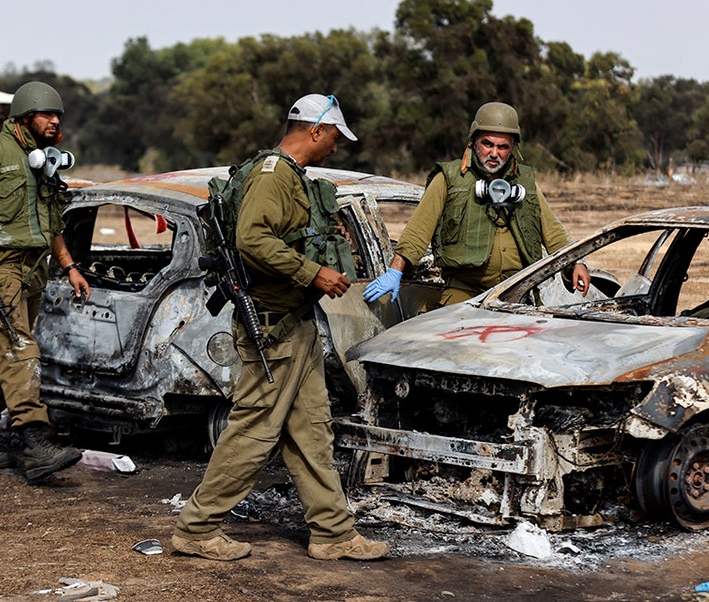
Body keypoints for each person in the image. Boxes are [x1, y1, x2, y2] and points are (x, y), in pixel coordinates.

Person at [172, 94, 390, 562]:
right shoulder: (272, 176)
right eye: (333, 137)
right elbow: (252, 239)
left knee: (311, 430)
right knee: (254, 431)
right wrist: (313, 273)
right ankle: (197, 527)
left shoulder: (292, 178)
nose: (335, 147)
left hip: (297, 325)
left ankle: (332, 533)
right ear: (315, 130)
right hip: (274, 330)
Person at [0, 80, 90, 483]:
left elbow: (52, 222)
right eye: (47, 114)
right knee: (19, 348)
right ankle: (33, 438)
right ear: (26, 116)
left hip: (34, 269)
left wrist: (69, 267)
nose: (54, 121)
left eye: (58, 115)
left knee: (4, 356)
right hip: (1, 267)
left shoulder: (41, 159)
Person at [364, 101, 589, 308]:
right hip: (465, 294)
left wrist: (576, 264)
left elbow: (553, 233)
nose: (494, 153)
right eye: (487, 144)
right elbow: (417, 231)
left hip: (516, 292)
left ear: (513, 149)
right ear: (473, 142)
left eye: (502, 147)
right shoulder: (449, 178)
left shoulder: (526, 183)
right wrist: (395, 271)